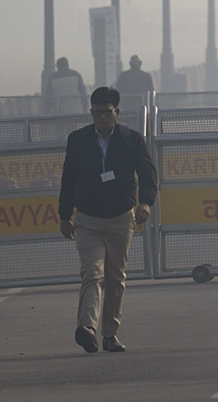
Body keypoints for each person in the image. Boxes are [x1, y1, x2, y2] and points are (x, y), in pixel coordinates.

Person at [59, 86, 158, 353]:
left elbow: (148, 175)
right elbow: (68, 179)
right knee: (92, 274)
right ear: (91, 112)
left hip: (121, 218)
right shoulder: (78, 140)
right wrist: (64, 215)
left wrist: (146, 203)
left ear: (117, 112)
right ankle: (87, 328)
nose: (102, 118)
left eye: (107, 113)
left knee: (115, 278)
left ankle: (109, 334)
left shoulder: (131, 139)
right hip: (88, 219)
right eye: (97, 113)